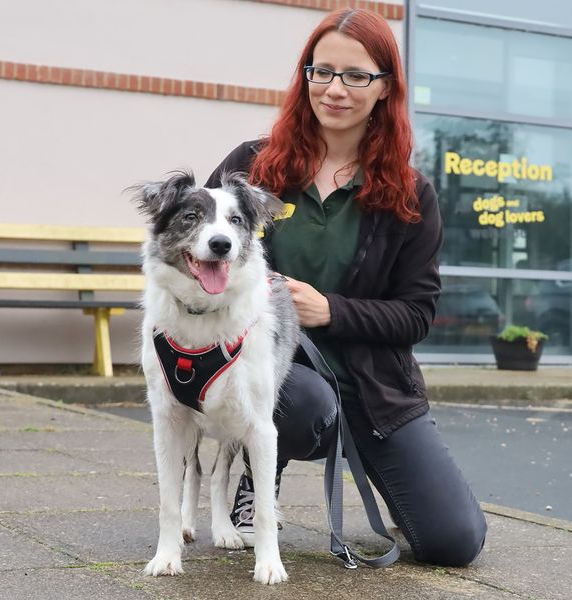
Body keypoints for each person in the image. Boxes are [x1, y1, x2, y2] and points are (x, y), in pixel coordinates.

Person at [205, 8, 486, 567]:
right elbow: (197, 250)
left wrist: (328, 310)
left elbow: (417, 315)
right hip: (270, 373)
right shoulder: (252, 166)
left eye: (356, 76)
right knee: (303, 403)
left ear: (385, 88)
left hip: (374, 389)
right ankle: (260, 479)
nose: (334, 89)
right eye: (321, 71)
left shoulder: (410, 194)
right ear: (304, 75)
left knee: (454, 541)